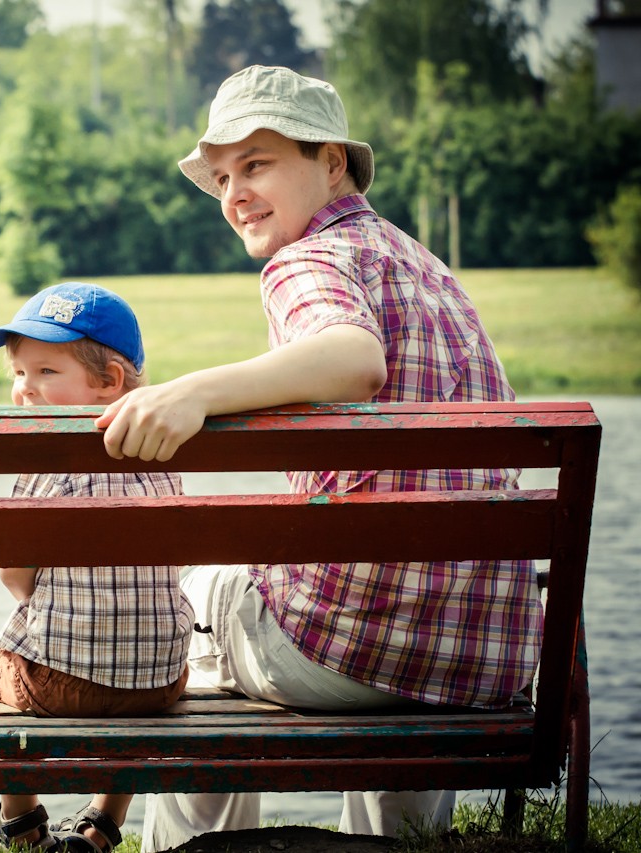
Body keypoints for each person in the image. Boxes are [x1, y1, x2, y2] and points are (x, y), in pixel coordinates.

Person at [94, 65, 542, 851]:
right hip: (475, 651)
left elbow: (352, 355)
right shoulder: (428, 270)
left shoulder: (305, 262)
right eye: (224, 176)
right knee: (324, 582)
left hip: (345, 648)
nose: (233, 192)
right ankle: (399, 841)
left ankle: (181, 845)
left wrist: (197, 390)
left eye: (257, 163)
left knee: (190, 593)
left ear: (331, 162)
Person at [0, 282, 194, 853]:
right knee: (120, 661)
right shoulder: (165, 462)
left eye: (46, 372)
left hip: (62, 686)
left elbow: (13, 577)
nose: (25, 390)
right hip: (160, 684)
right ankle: (102, 824)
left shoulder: (51, 467)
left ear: (109, 382)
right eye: (18, 374)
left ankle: (20, 819)